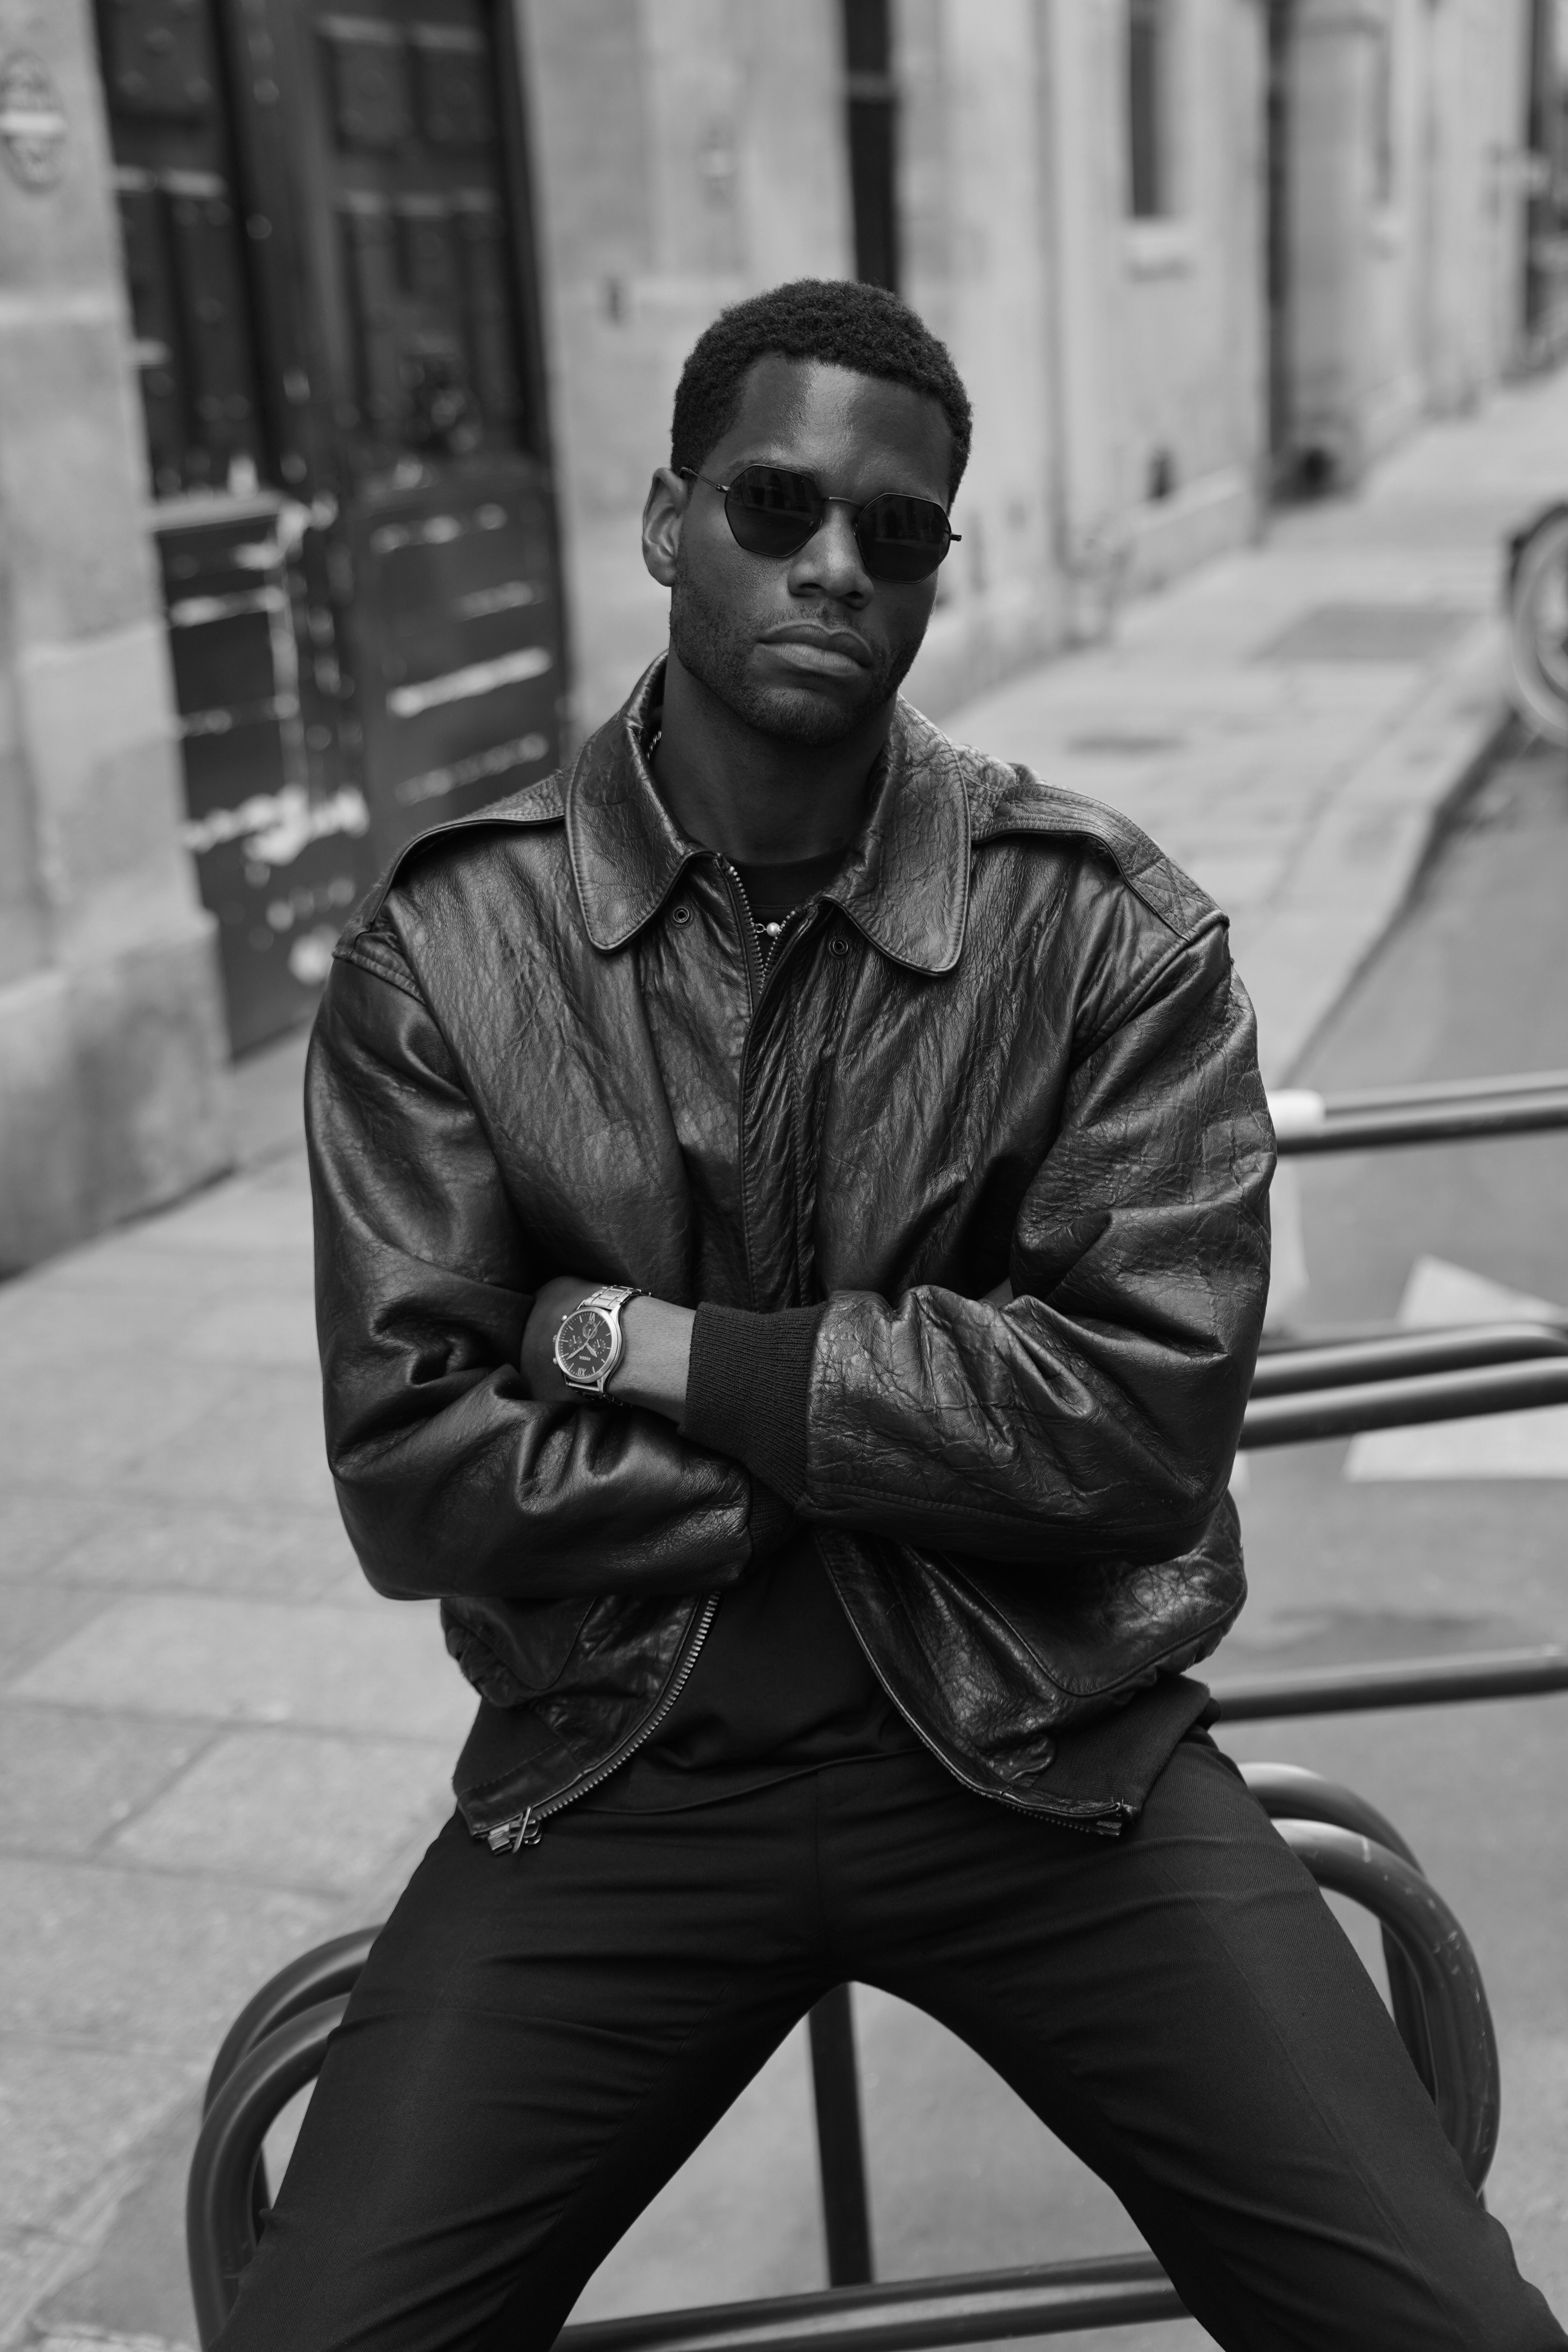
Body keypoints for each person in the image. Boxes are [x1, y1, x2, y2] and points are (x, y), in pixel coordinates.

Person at [225, 278, 1562, 2350]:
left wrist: (651, 1352)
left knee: (1444, 2324)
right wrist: (906, 1441)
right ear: (670, 517)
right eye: (777, 502)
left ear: (942, 562)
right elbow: (416, 1475)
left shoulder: (1104, 931)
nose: (833, 561)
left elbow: (1136, 1426)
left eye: (897, 528)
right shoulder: (453, 953)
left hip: (1050, 1758)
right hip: (621, 1780)